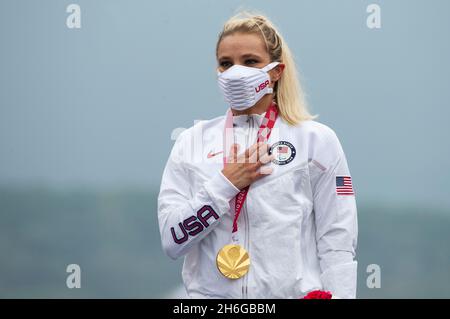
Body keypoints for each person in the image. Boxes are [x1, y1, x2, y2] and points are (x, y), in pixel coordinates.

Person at [157, 11, 358, 299]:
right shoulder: (191, 142)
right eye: (226, 63)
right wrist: (224, 184)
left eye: (250, 61)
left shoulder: (317, 140)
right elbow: (172, 241)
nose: (236, 72)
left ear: (276, 71)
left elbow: (337, 240)